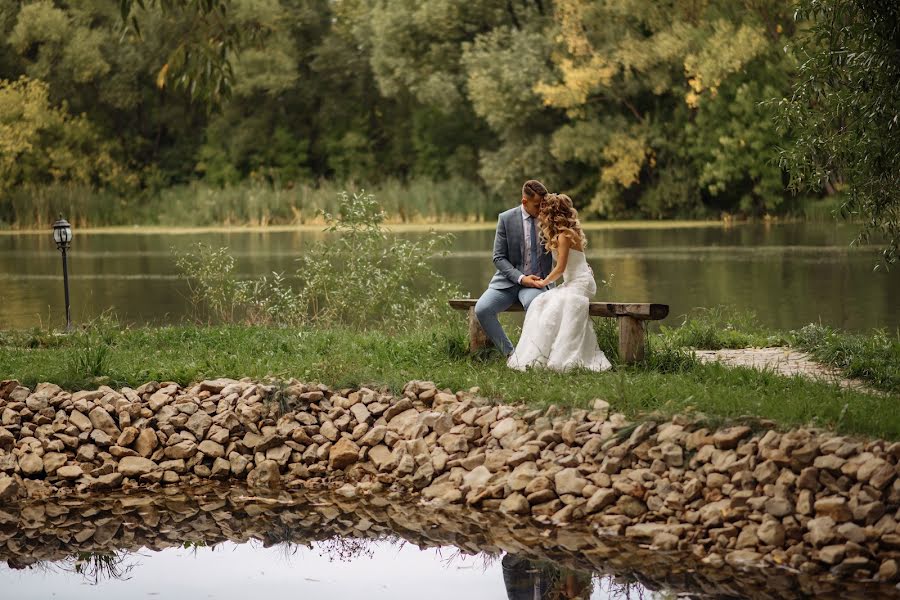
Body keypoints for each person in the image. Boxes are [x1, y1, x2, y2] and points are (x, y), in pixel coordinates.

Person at [507, 193, 612, 372]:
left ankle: (560, 356)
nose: (539, 215)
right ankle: (539, 354)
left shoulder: (564, 235)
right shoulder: (560, 234)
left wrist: (543, 283)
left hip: (581, 283)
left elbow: (561, 268)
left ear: (551, 214)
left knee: (556, 303)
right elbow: (576, 261)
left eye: (542, 211)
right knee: (540, 302)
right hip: (572, 282)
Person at [474, 180, 554, 356]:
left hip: (538, 282)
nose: (541, 209)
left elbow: (563, 247)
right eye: (537, 205)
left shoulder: (548, 218)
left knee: (536, 305)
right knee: (482, 309)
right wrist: (521, 278)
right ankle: (511, 355)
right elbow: (498, 257)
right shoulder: (506, 218)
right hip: (508, 282)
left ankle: (536, 355)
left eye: (543, 205)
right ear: (524, 201)